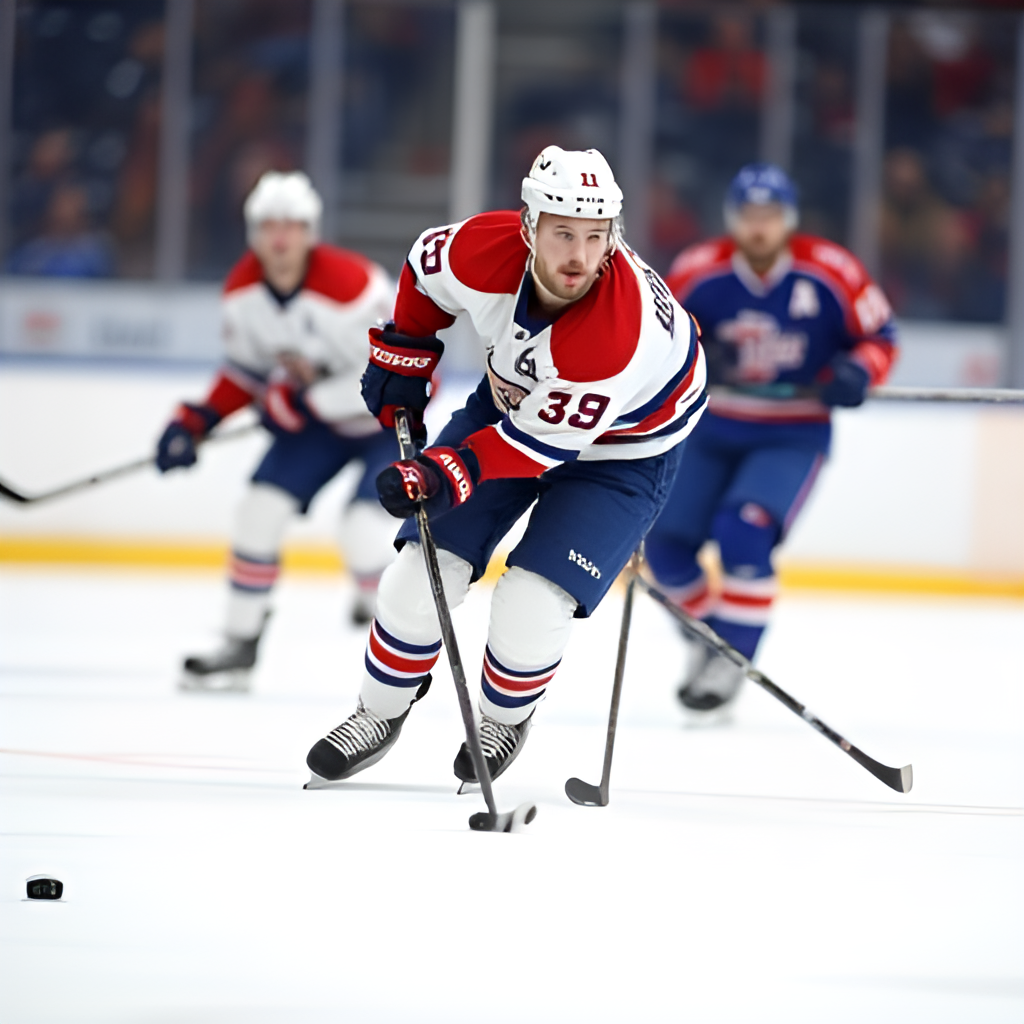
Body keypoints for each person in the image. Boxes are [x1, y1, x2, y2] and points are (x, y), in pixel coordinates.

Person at [305, 146, 708, 785]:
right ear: (529, 225)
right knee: (420, 573)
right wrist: (407, 351)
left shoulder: (612, 336)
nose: (579, 257)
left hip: (625, 451)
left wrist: (442, 472)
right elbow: (422, 269)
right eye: (563, 234)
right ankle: (378, 711)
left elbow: (530, 448)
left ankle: (503, 718)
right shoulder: (481, 249)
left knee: (531, 602)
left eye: (596, 236)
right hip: (513, 403)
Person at [644, 163, 898, 714]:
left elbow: (880, 335)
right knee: (664, 544)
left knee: (744, 532)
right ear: (733, 218)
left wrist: (858, 371)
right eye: (750, 215)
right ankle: (710, 641)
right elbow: (658, 339)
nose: (760, 227)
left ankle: (730, 659)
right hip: (708, 426)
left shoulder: (831, 270)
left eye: (772, 215)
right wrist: (695, 355)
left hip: (791, 432)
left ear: (790, 219)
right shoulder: (697, 270)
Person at [155, 171, 399, 691]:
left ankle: (401, 641)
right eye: (269, 226)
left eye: (292, 226)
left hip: (384, 425)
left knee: (361, 534)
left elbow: (410, 372)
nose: (280, 238)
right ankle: (239, 644)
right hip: (315, 428)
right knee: (257, 514)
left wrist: (307, 399)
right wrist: (198, 420)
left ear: (311, 231)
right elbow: (244, 371)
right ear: (252, 232)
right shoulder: (243, 293)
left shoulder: (354, 287)